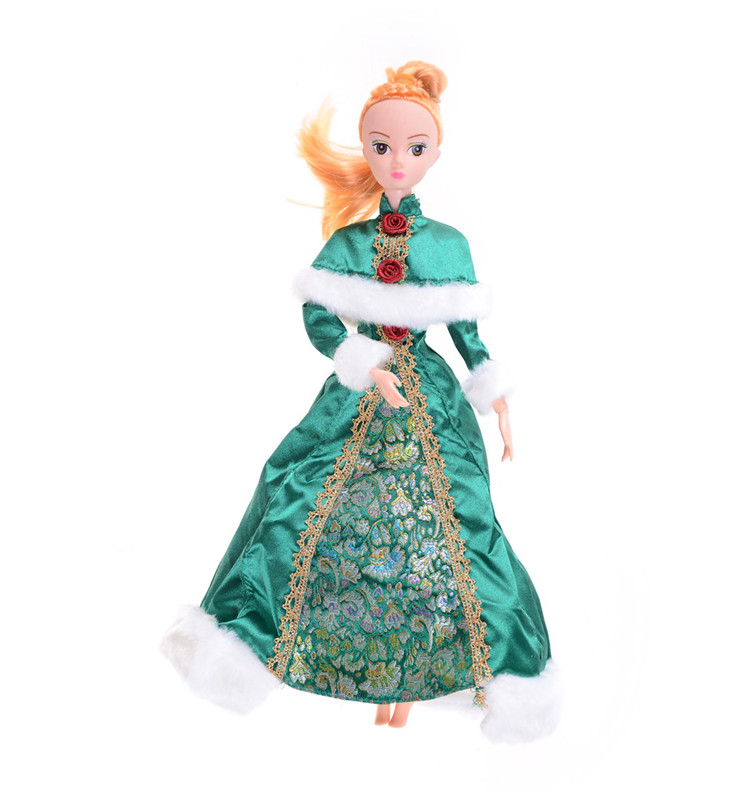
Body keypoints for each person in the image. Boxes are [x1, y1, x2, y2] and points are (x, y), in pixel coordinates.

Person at [162, 61, 560, 743]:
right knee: (299, 501)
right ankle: (311, 660)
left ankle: (449, 682)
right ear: (366, 150)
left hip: (430, 401)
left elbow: (466, 331)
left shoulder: (449, 245)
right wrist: (360, 362)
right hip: (357, 396)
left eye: (414, 147)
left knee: (454, 523)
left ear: (435, 153)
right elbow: (319, 316)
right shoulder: (347, 243)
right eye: (382, 145)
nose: (397, 160)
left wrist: (494, 396)